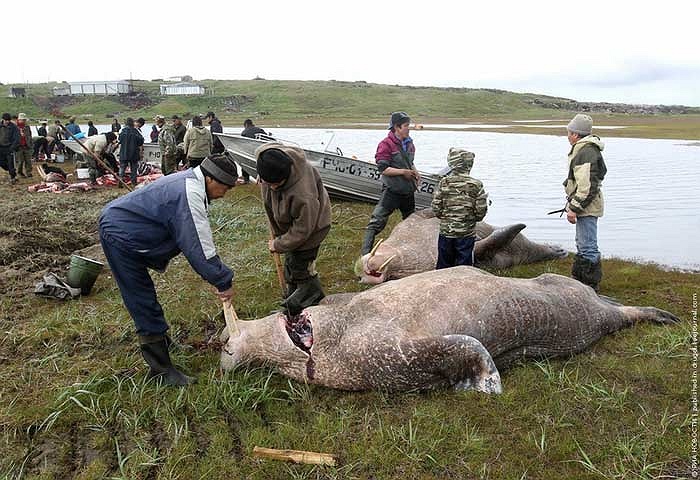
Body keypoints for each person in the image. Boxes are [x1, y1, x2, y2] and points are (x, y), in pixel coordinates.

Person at [98, 154, 238, 386]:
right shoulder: (190, 193)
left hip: (125, 226)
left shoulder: (190, 183)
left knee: (145, 294)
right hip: (120, 235)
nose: (225, 194)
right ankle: (161, 370)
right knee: (141, 298)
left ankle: (162, 341)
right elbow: (199, 246)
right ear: (211, 179)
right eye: (225, 188)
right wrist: (222, 280)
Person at [255, 143, 331, 317]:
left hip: (312, 229)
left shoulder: (303, 194)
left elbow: (303, 230)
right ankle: (294, 295)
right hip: (290, 227)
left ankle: (308, 301)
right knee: (292, 263)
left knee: (302, 268)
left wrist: (279, 244)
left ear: (286, 177)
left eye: (275, 184)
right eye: (268, 183)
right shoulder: (268, 157)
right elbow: (261, 151)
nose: (271, 187)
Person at [360, 111, 420, 255]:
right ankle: (365, 255)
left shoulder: (410, 144)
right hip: (392, 191)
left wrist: (415, 171)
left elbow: (410, 162)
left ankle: (408, 252)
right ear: (397, 127)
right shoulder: (385, 144)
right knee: (376, 223)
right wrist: (403, 172)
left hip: (408, 191)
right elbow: (383, 168)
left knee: (410, 223)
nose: (409, 128)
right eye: (406, 126)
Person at [563, 113, 607, 292]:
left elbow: (587, 187)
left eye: (569, 132)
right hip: (585, 206)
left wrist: (573, 208)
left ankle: (590, 286)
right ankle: (580, 281)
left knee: (588, 245)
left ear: (575, 134)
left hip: (587, 207)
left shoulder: (586, 152)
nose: (567, 135)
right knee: (582, 243)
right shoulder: (584, 149)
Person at [431, 148, 488, 269]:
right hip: (466, 233)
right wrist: (473, 219)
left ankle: (441, 284)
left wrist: (445, 218)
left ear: (452, 164)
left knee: (444, 263)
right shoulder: (476, 184)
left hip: (446, 232)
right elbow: (481, 211)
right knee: (464, 266)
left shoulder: (444, 183)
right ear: (469, 165)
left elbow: (436, 207)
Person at [118, 118, 145, 186]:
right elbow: (141, 141)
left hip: (124, 153)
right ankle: (133, 183)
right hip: (134, 154)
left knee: (122, 168)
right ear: (132, 123)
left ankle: (120, 182)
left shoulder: (122, 131)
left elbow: (119, 140)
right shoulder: (135, 132)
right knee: (133, 169)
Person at [238, 119, 266, 183]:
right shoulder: (260, 130)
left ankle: (246, 180)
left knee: (244, 163)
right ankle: (261, 178)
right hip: (260, 152)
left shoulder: (244, 132)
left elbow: (242, 143)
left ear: (246, 125)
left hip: (248, 151)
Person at [0, 113, 19, 184]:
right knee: (1, 162)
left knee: (11, 163)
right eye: (6, 120)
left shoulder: (14, 127)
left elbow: (17, 138)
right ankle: (10, 170)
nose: (7, 122)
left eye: (8, 120)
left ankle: (13, 177)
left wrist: (12, 147)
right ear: (3, 119)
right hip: (1, 148)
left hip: (9, 148)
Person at [14, 113, 34, 178]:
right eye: (23, 120)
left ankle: (28, 172)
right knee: (20, 161)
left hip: (27, 145)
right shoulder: (14, 127)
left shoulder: (27, 127)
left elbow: (30, 136)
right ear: (19, 120)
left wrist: (30, 144)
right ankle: (19, 172)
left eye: (25, 120)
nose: (24, 121)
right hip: (18, 146)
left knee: (28, 160)